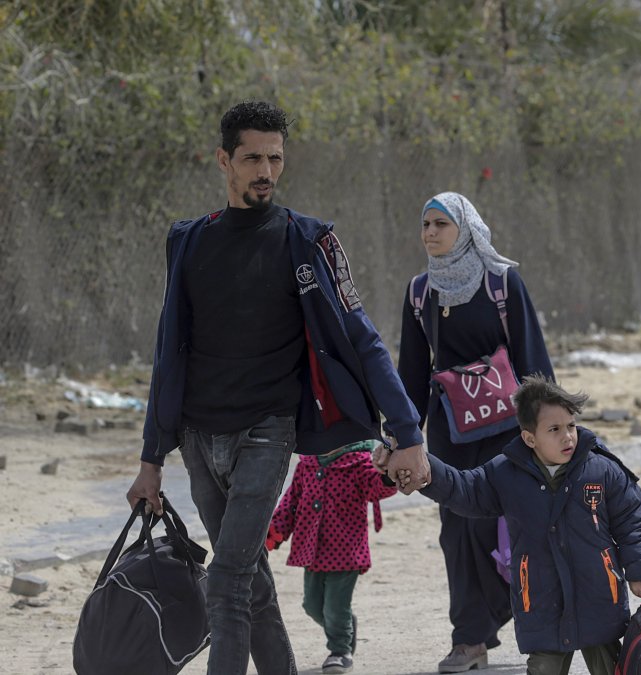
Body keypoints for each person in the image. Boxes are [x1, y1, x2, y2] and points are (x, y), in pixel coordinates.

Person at [125, 101, 430, 675]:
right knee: (248, 579)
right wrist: (150, 460)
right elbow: (168, 354)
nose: (265, 170)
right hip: (196, 434)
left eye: (276, 158)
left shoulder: (309, 241)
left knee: (227, 578)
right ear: (224, 161)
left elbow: (363, 339)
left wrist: (407, 431)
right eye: (252, 158)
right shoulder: (188, 242)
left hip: (267, 432)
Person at [394, 191, 555, 673]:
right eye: (425, 224)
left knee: (509, 525)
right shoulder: (420, 292)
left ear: (464, 228)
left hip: (507, 431)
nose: (430, 233)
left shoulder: (502, 282)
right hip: (449, 432)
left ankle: (527, 622)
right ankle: (469, 638)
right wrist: (404, 437)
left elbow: (533, 361)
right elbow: (410, 372)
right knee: (457, 531)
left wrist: (549, 431)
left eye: (441, 224)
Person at [416, 375, 641, 675]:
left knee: (614, 670)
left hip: (599, 598)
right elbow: (465, 489)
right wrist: (424, 469)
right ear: (529, 438)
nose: (568, 436)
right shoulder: (506, 474)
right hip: (543, 606)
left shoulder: (600, 468)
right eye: (554, 429)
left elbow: (632, 515)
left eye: (570, 425)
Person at [265, 440, 396, 673]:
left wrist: (386, 474)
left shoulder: (359, 463)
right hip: (312, 550)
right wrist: (272, 535)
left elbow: (378, 488)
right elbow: (290, 504)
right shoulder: (307, 463)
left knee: (335, 608)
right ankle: (344, 628)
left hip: (346, 552)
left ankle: (340, 651)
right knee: (312, 605)